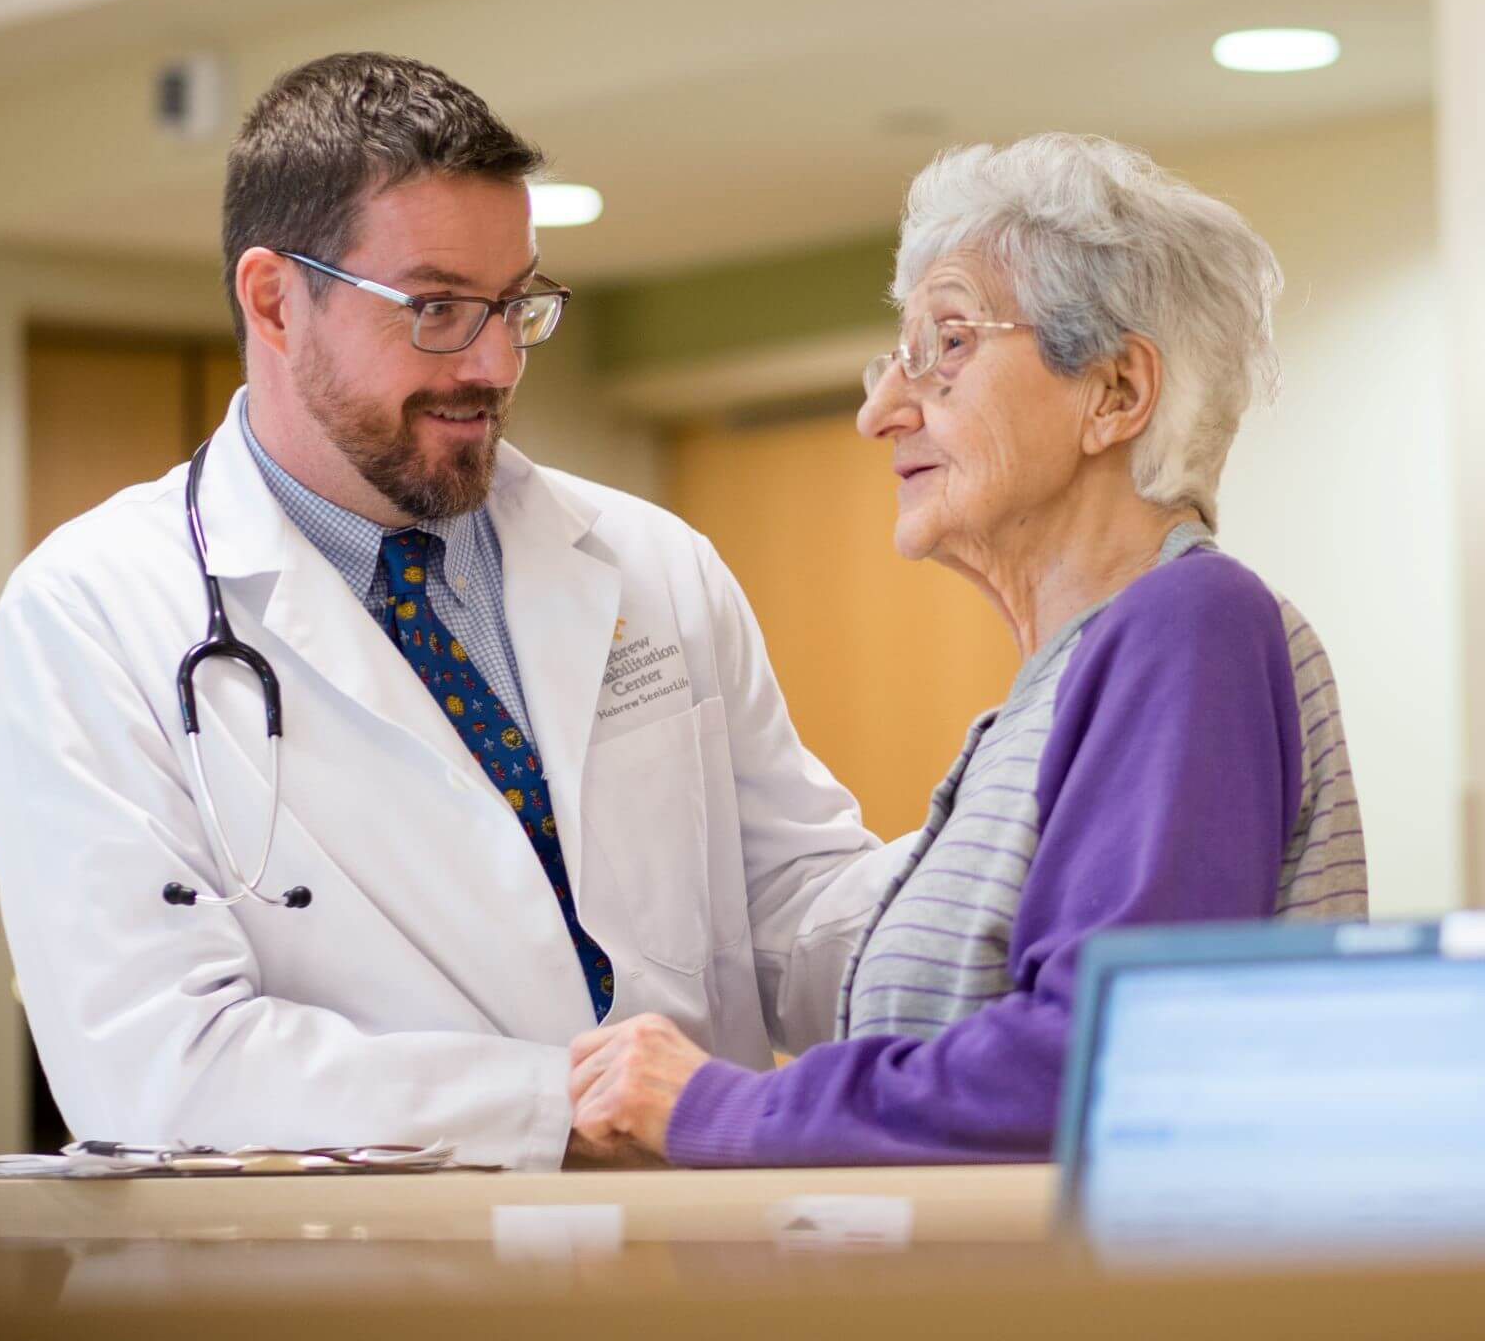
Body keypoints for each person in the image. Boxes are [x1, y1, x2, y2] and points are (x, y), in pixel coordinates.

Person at [0, 53, 891, 1170]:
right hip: (360, 1299)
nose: (494, 362)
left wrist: (1005, 876)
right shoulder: (91, 617)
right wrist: (566, 1103)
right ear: (273, 299)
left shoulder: (652, 566)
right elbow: (161, 1063)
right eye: (439, 309)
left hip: (691, 1273)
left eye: (514, 306)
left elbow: (796, 907)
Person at [564, 133, 1368, 1166]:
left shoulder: (1190, 626)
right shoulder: (1072, 680)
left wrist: (722, 1107)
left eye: (947, 345)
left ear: (1116, 392)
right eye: (895, 359)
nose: (880, 411)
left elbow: (1095, 1055)